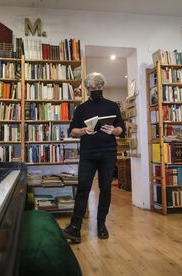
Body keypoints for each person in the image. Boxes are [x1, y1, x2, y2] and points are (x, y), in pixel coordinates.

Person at [62, 72, 125, 243]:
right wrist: (83, 130)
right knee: (83, 188)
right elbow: (72, 131)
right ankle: (75, 227)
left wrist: (114, 130)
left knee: (106, 188)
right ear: (87, 88)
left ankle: (101, 224)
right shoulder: (81, 108)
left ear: (102, 87)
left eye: (98, 86)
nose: (95, 89)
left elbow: (121, 127)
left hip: (108, 152)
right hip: (88, 154)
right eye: (92, 87)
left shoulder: (112, 106)